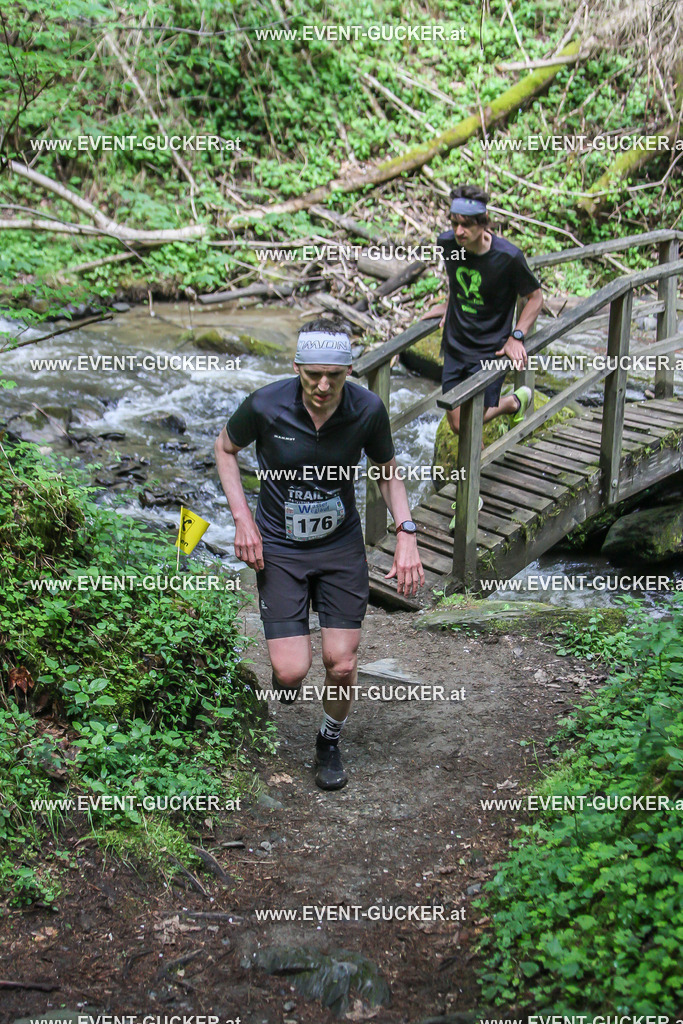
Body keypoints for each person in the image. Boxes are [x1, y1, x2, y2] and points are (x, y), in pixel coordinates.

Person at [214, 318, 424, 791]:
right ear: (297, 368)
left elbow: (387, 471)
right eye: (313, 376)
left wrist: (406, 532)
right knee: (291, 671)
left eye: (335, 375)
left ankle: (328, 741)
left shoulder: (368, 409)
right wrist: (242, 519)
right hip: (280, 547)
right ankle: (285, 681)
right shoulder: (266, 404)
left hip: (338, 547)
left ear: (349, 370)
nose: (323, 386)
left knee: (341, 663)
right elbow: (225, 448)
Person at [422, 184, 544, 527]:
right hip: (456, 344)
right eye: (455, 222)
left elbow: (535, 298)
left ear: (484, 223)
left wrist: (517, 335)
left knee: (465, 423)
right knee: (456, 420)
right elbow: (456, 279)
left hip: (490, 349)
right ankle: (512, 404)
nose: (459, 230)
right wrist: (449, 305)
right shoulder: (449, 244)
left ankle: (468, 496)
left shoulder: (507, 258)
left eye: (468, 224)